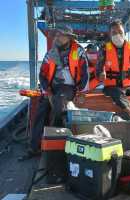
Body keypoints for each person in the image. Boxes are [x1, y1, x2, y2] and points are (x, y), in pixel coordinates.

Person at [28, 26, 89, 156]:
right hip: (52, 88)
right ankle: (35, 147)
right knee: (41, 110)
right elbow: (42, 74)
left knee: (59, 104)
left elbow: (85, 74)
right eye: (56, 35)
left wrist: (81, 92)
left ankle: (57, 144)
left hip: (69, 87)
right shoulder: (51, 53)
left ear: (69, 37)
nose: (57, 37)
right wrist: (48, 92)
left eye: (60, 35)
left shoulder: (78, 51)